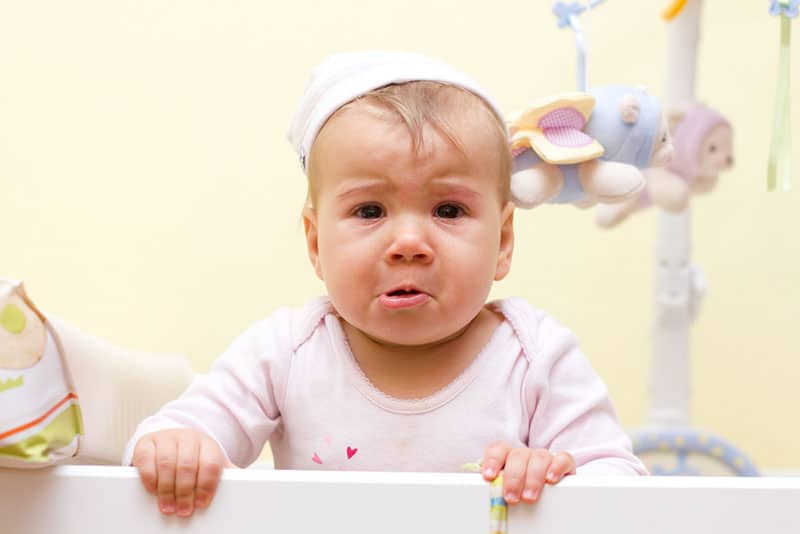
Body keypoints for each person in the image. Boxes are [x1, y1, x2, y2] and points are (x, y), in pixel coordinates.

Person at [123, 50, 647, 518]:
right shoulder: (286, 351)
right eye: (370, 210)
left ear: (504, 240)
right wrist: (181, 447)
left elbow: (620, 486)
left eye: (448, 209)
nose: (409, 242)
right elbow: (177, 431)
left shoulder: (535, 357)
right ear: (315, 244)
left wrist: (555, 475)